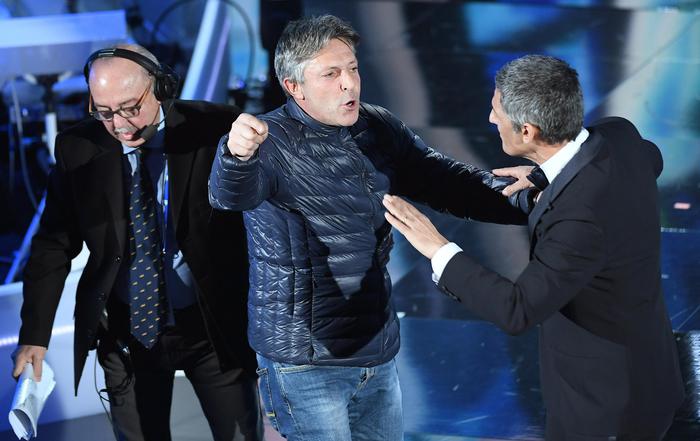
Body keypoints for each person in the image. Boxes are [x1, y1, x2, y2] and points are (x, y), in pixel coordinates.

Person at [208, 14, 532, 441]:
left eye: (353, 68)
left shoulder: (377, 126)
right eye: (331, 74)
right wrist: (235, 156)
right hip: (307, 363)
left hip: (376, 348)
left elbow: (446, 181)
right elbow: (229, 196)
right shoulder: (268, 144)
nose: (349, 84)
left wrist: (528, 198)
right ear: (294, 86)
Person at [382, 54, 685, 440]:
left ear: (527, 131)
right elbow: (650, 159)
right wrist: (549, 176)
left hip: (605, 409)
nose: (491, 119)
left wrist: (437, 247)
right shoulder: (619, 136)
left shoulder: (579, 220)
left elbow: (518, 309)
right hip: (651, 375)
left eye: (496, 112)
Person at [11, 44, 263, 441]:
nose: (119, 125)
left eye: (130, 108)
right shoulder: (77, 147)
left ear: (161, 88)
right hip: (126, 333)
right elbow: (53, 244)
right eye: (104, 111)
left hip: (211, 328)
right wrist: (34, 334)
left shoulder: (216, 127)